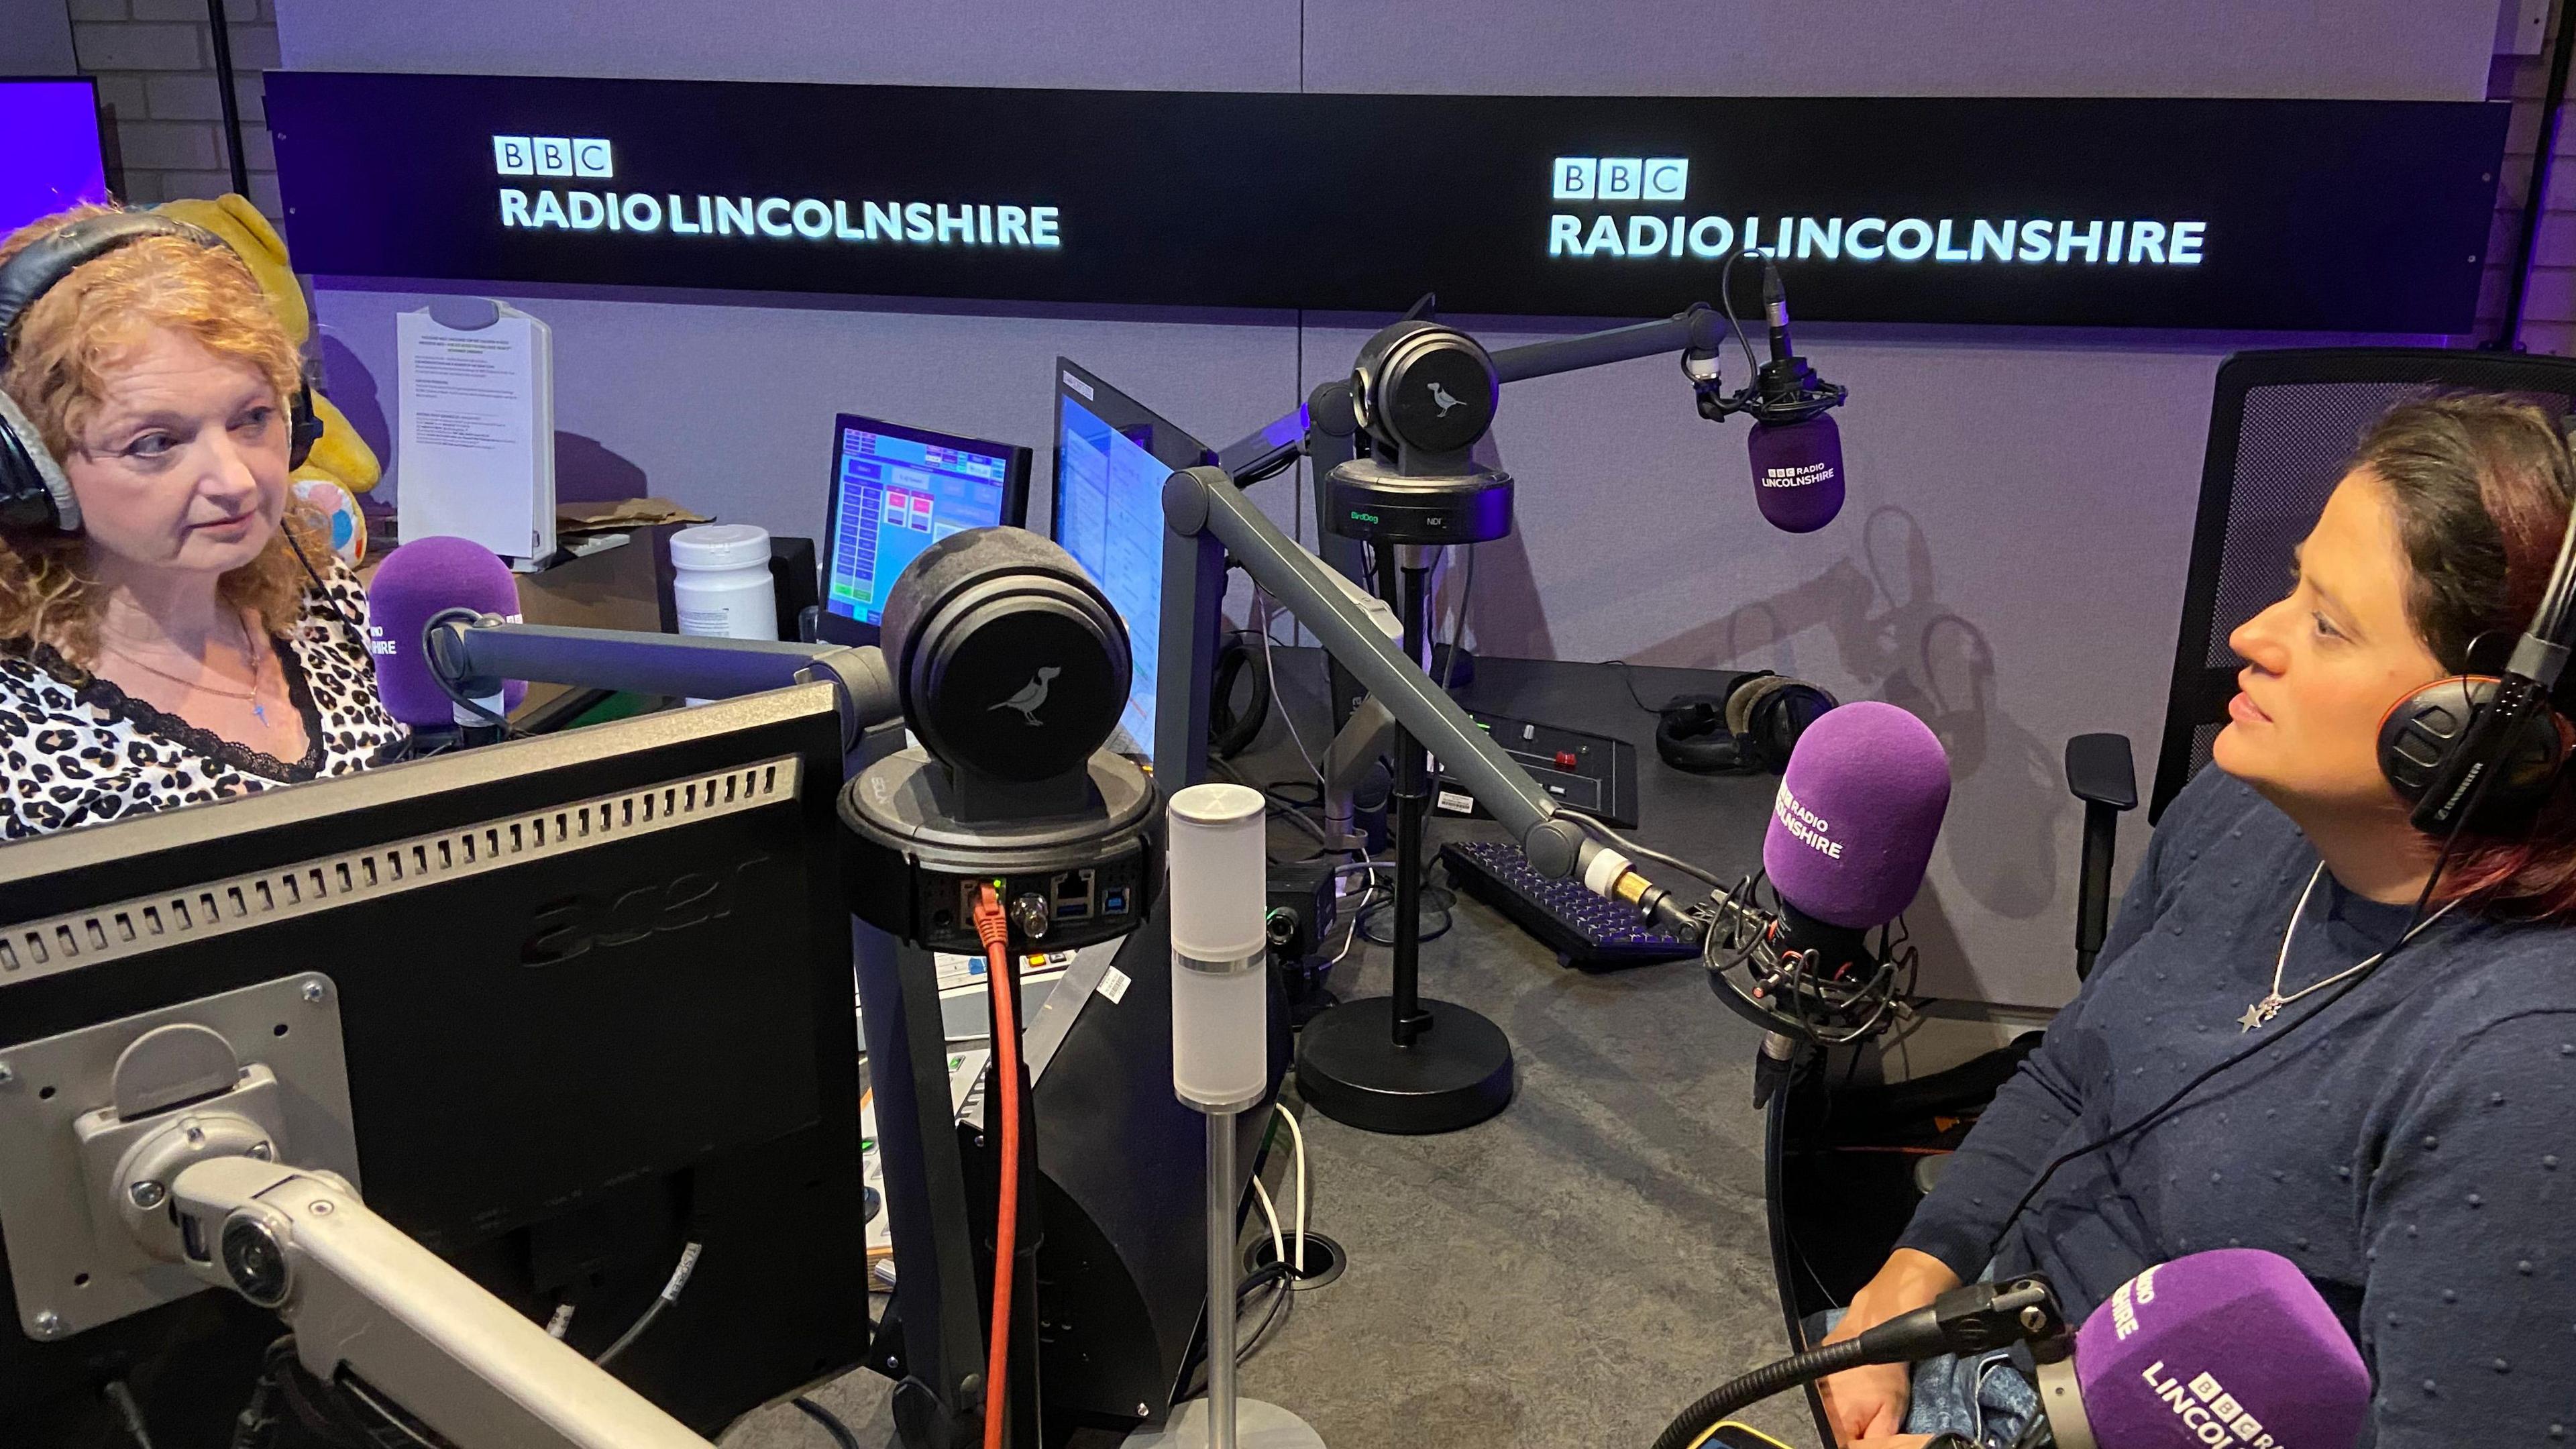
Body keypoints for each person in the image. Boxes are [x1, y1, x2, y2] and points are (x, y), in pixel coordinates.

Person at [1817, 394, 2576, 1448]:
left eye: (2326, 622)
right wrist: (1918, 1271)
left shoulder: (2523, 1070)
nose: (2250, 638)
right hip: (1984, 1327)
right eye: (2292, 586)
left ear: (2477, 737)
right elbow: (2075, 1069)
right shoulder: (2242, 810)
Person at [0, 204, 405, 839]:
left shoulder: (323, 604)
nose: (237, 481)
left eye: (252, 418)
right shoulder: (14, 736)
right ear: (27, 469)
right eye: (156, 442)